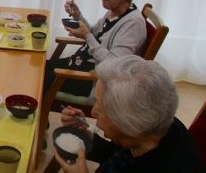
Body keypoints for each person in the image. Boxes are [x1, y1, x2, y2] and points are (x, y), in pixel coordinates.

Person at [55, 55, 203, 172]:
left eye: (101, 107)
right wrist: (87, 136)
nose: (93, 112)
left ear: (131, 125)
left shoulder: (169, 165)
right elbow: (114, 154)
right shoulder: (155, 126)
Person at [44, 0, 147, 97]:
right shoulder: (114, 12)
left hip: (92, 80)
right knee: (37, 67)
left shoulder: (133, 23)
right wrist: (77, 15)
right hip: (77, 64)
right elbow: (95, 33)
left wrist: (87, 36)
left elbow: (114, 66)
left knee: (36, 79)